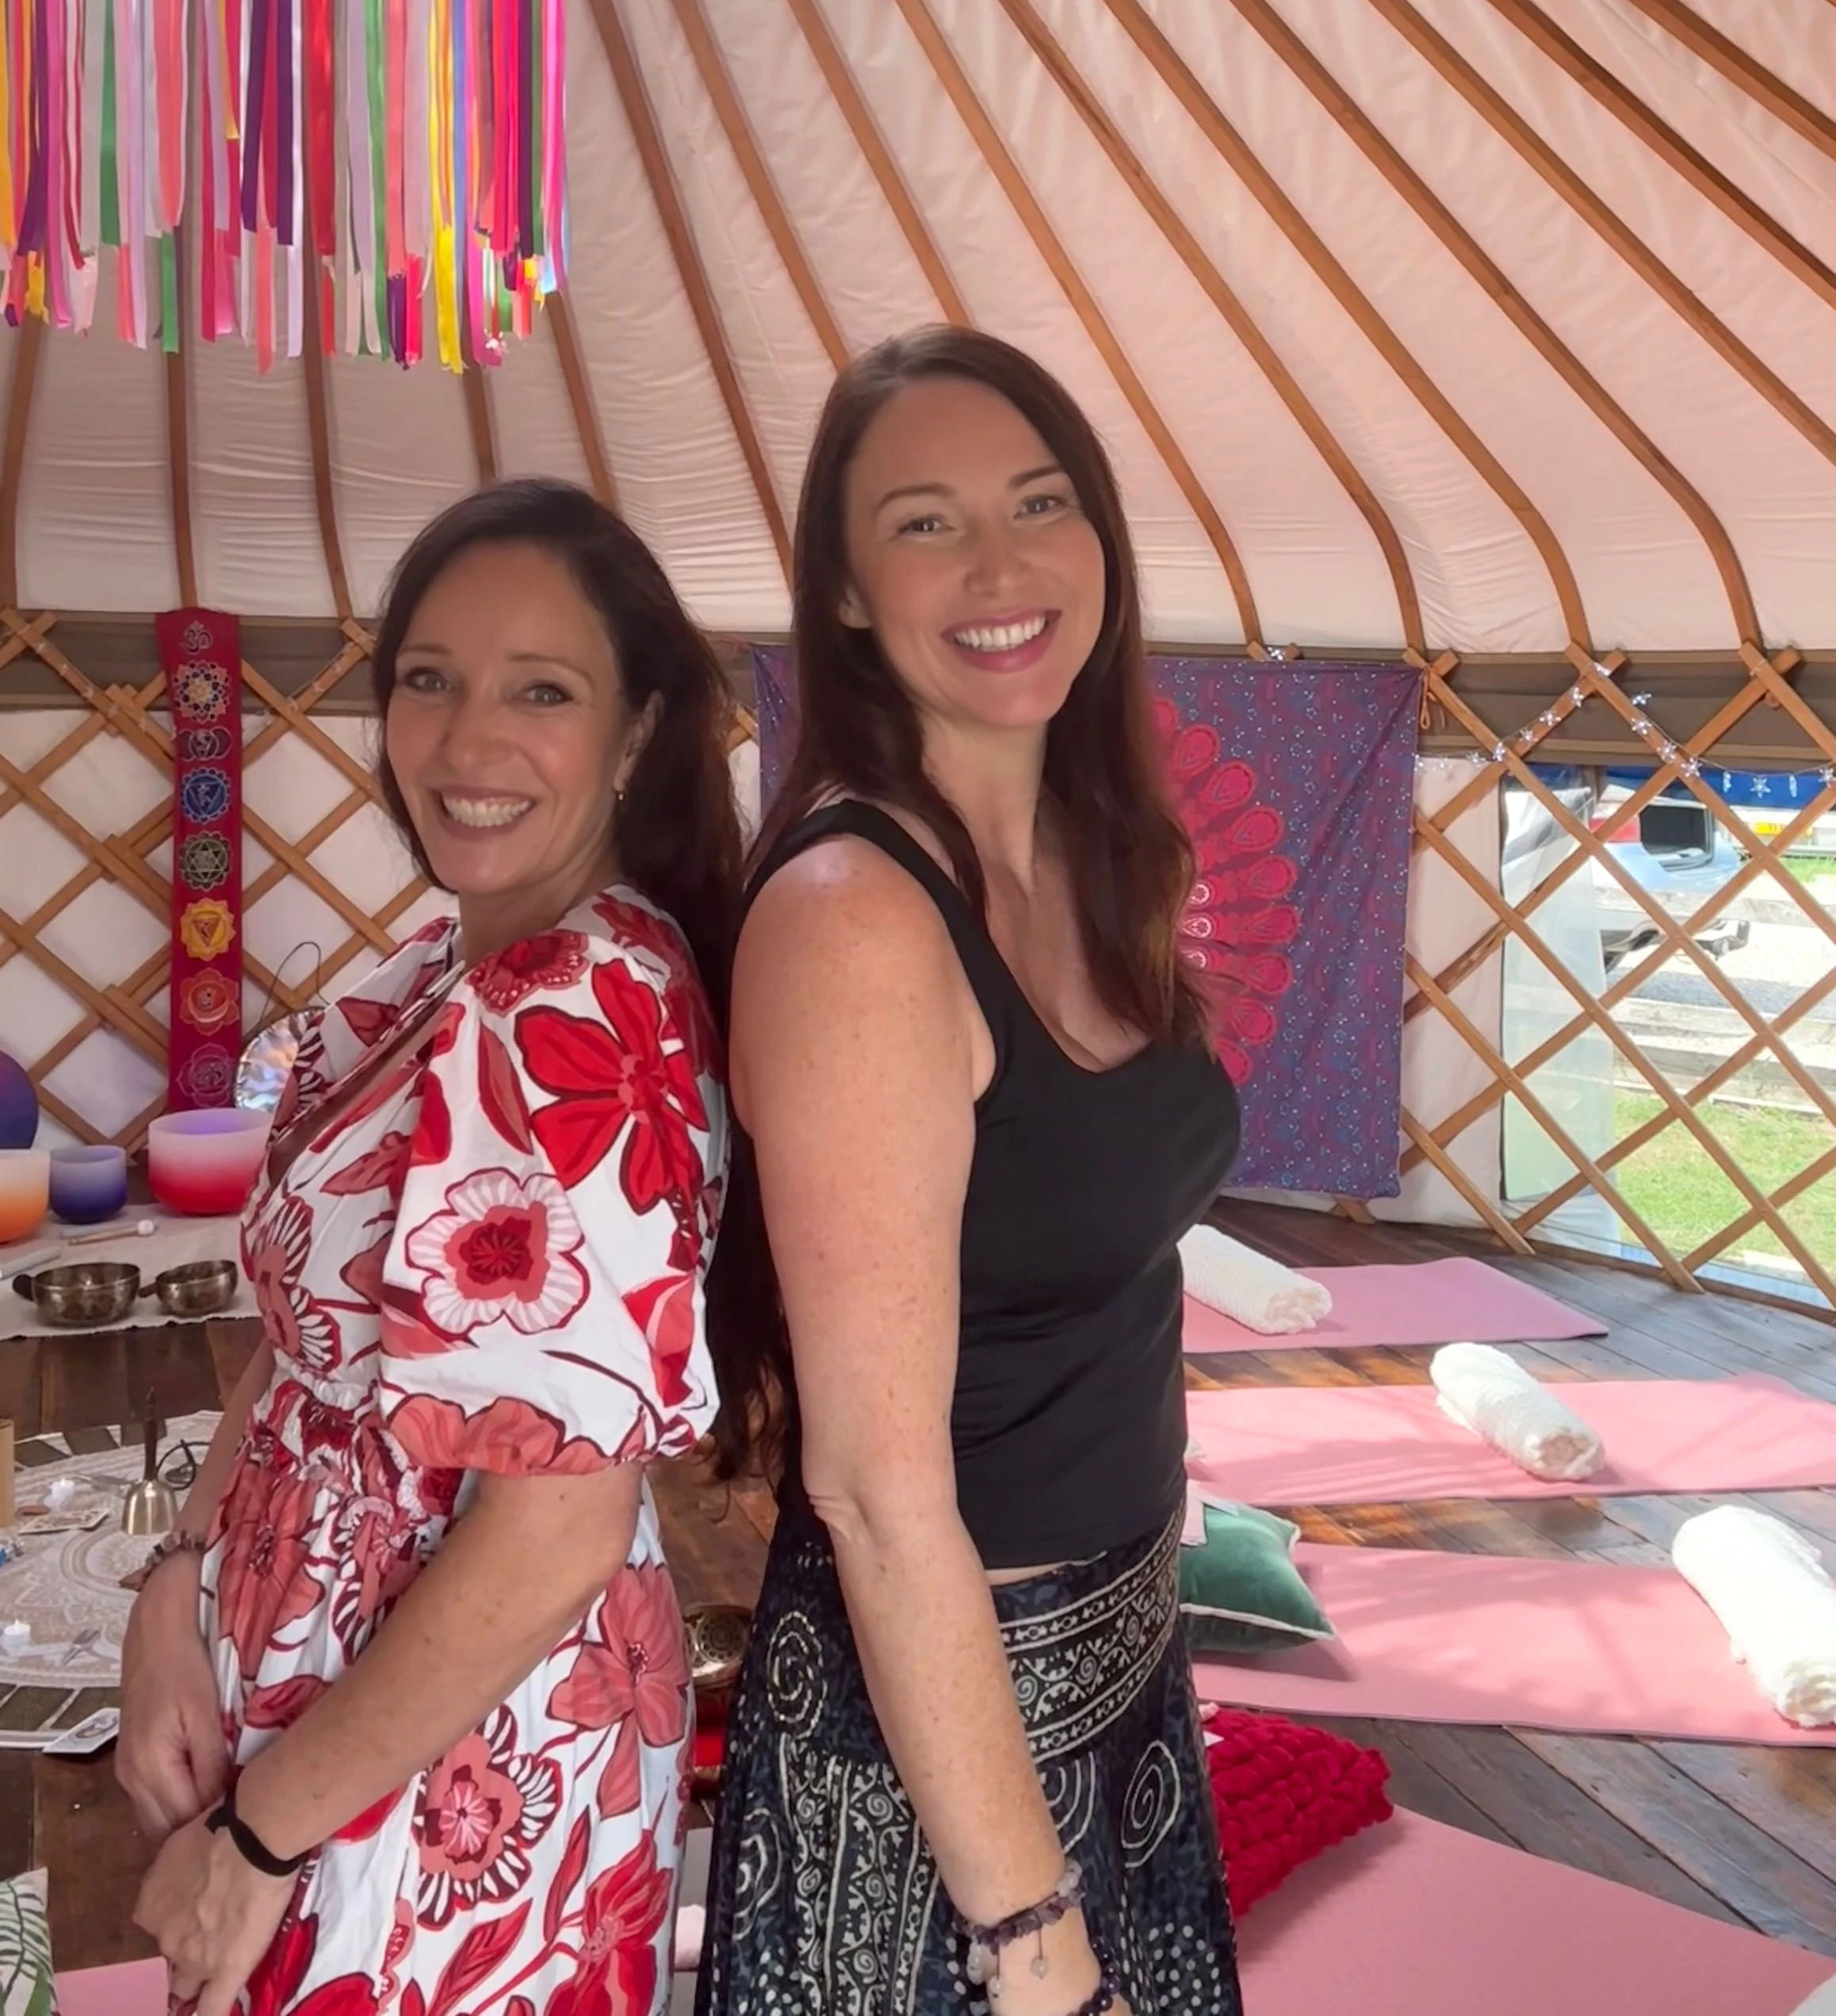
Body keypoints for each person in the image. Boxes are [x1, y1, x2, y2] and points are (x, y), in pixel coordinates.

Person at [117, 478, 743, 2016]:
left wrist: (259, 1839)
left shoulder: (569, 1012)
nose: (467, 741)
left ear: (638, 728)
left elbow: (552, 1528)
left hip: (457, 1763)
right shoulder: (444, 965)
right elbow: (305, 1332)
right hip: (337, 1721)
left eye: (542, 689)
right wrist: (176, 1585)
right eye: (428, 678)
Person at [697, 328, 1244, 2016]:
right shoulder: (858, 920)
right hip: (942, 1732)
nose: (1002, 565)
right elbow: (871, 1487)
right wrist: (1028, 1932)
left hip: (1123, 1657)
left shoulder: (1102, 849)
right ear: (848, 590)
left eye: (1041, 501)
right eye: (926, 523)